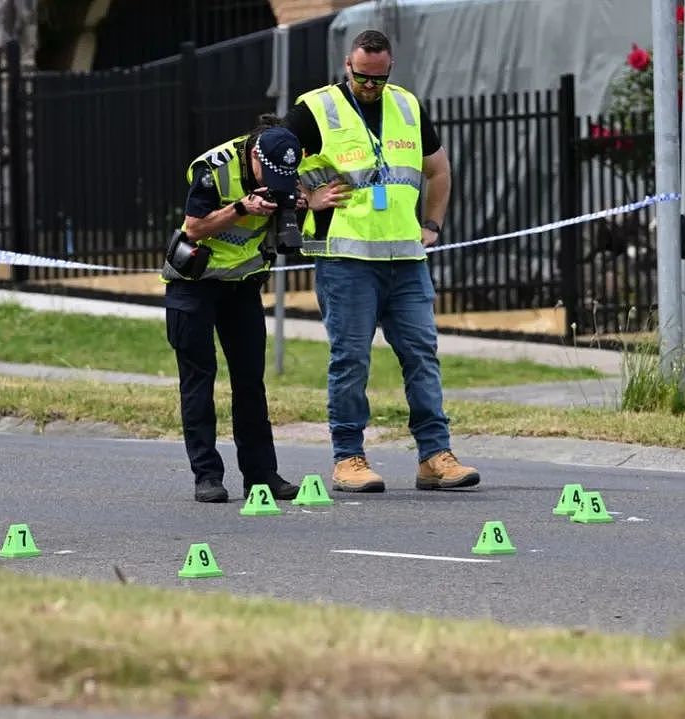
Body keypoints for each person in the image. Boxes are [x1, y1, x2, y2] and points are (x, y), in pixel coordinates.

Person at [283, 29, 480, 494]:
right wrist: (307, 199)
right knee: (351, 360)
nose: (369, 86)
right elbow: (270, 160)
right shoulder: (315, 108)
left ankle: (435, 456)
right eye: (361, 77)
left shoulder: (407, 106)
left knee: (422, 355)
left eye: (378, 78)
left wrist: (432, 226)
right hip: (347, 259)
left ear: (389, 69)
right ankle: (348, 457)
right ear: (347, 67)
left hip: (406, 259)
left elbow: (438, 169)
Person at [163, 115, 303, 503]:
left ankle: (262, 475)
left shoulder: (286, 163)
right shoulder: (214, 169)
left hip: (242, 287)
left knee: (249, 382)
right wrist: (241, 208)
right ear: (255, 155)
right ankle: (207, 475)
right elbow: (193, 227)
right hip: (195, 285)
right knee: (199, 381)